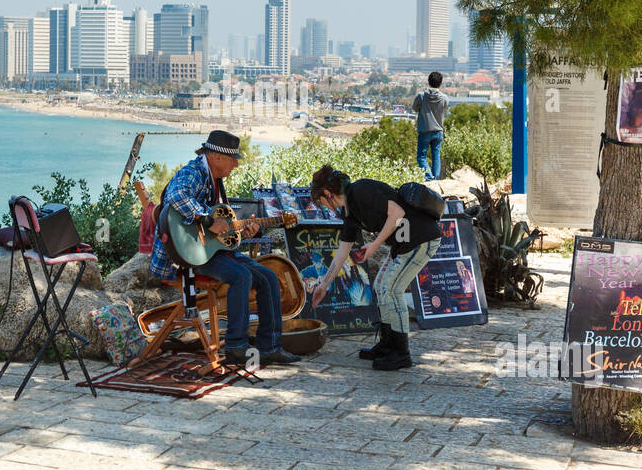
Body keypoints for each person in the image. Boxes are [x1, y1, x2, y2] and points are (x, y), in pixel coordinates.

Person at [149, 130, 300, 367]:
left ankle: (270, 346)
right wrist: (207, 220)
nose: (236, 165)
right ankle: (236, 347)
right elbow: (175, 195)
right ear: (216, 156)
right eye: (233, 159)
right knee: (242, 276)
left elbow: (223, 232)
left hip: (210, 250)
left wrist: (243, 232)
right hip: (185, 254)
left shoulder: (216, 181)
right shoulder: (194, 172)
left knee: (269, 277)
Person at [308, 165, 441, 370]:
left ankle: (401, 353)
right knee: (380, 286)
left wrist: (374, 245)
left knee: (391, 289)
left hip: (421, 238)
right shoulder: (349, 212)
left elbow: (397, 212)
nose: (323, 206)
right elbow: (342, 253)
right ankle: (388, 345)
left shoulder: (362, 190)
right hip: (403, 244)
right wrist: (323, 286)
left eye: (321, 201)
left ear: (328, 193)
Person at [412, 71, 449, 181]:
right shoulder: (444, 98)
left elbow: (414, 108)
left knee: (421, 156)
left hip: (425, 130)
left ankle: (429, 177)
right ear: (440, 83)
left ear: (428, 82)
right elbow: (445, 110)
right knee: (436, 155)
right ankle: (435, 178)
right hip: (438, 131)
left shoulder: (421, 96)